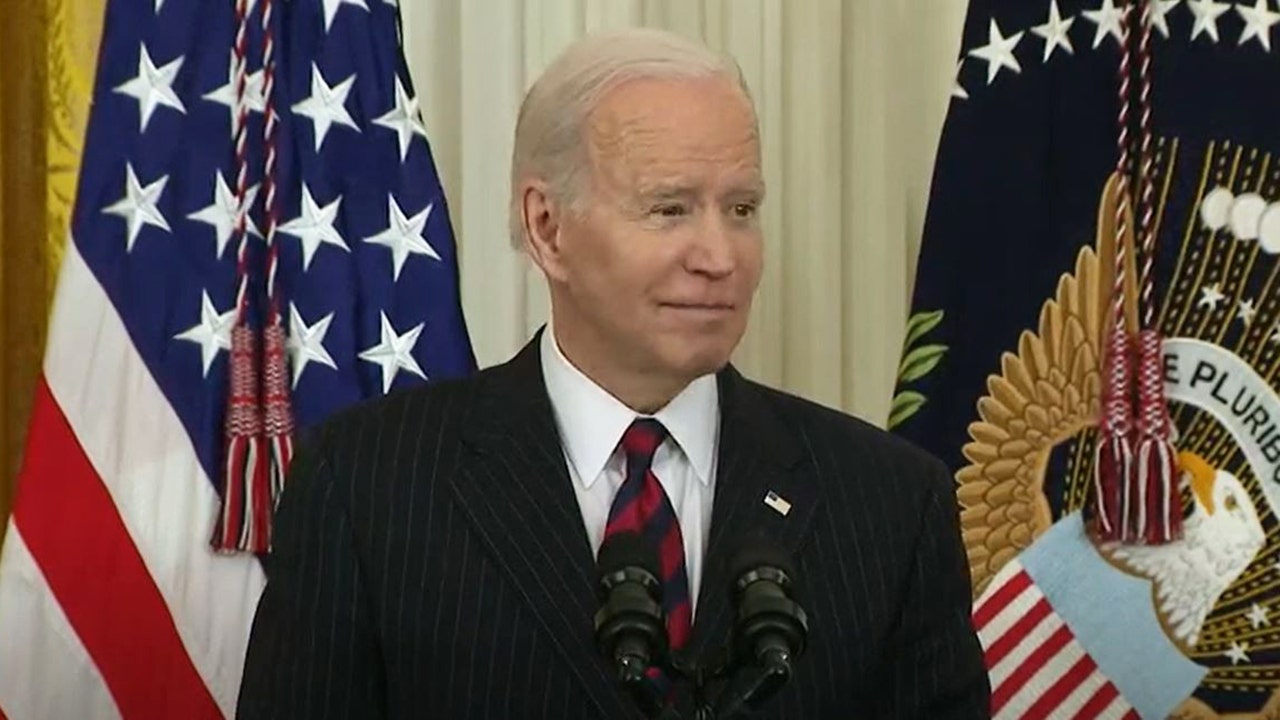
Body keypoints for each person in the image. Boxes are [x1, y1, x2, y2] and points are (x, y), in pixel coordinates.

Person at [236, 27, 990, 720]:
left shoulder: (891, 503)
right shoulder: (369, 484)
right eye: (669, 209)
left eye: (741, 209)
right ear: (547, 228)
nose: (719, 257)